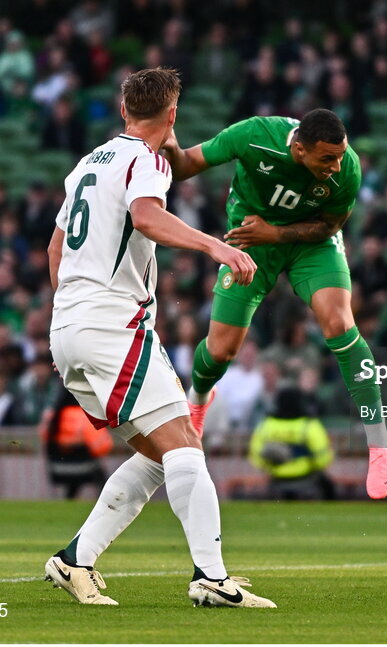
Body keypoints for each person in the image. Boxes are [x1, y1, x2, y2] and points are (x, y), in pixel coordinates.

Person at [45, 68, 274, 609]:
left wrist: (75, 308)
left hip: (67, 329)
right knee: (186, 446)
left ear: (124, 111)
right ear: (172, 116)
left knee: (159, 455)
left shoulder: (86, 164)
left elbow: (55, 250)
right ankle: (212, 578)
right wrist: (215, 248)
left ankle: (74, 560)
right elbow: (146, 217)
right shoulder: (144, 161)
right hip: (112, 324)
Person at [162, 108, 387, 500]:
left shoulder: (348, 167)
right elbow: (187, 164)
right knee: (221, 350)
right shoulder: (255, 135)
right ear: (300, 149)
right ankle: (198, 400)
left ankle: (379, 442)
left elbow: (330, 226)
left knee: (339, 324)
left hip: (310, 246)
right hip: (250, 241)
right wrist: (168, 146)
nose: (337, 166)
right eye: (327, 159)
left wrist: (279, 232)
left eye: (340, 156)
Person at [248, 386, 334, 501]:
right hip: (305, 476)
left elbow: (256, 455)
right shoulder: (309, 424)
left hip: (276, 477)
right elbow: (323, 457)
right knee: (328, 487)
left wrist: (268, 467)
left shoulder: (266, 425)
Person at [41, 388, 111, 500]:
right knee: (98, 470)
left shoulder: (53, 416)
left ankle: (70, 498)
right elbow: (101, 446)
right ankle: (106, 501)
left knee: (75, 473)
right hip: (83, 468)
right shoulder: (85, 416)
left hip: (58, 468)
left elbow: (44, 437)